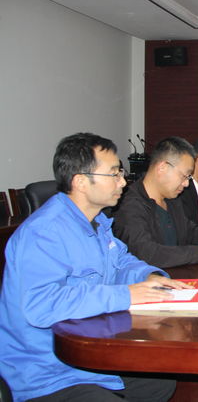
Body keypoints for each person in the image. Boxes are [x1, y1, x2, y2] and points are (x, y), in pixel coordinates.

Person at [0, 133, 187, 401]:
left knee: (159, 382)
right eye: (114, 173)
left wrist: (151, 275)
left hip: (91, 356)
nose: (123, 181)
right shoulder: (44, 232)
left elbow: (122, 261)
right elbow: (41, 304)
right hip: (47, 371)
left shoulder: (97, 222)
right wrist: (126, 294)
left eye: (120, 172)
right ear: (80, 182)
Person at [114, 137, 198, 268]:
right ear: (162, 168)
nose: (186, 183)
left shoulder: (172, 199)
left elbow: (190, 232)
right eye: (184, 176)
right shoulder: (130, 205)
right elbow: (147, 253)